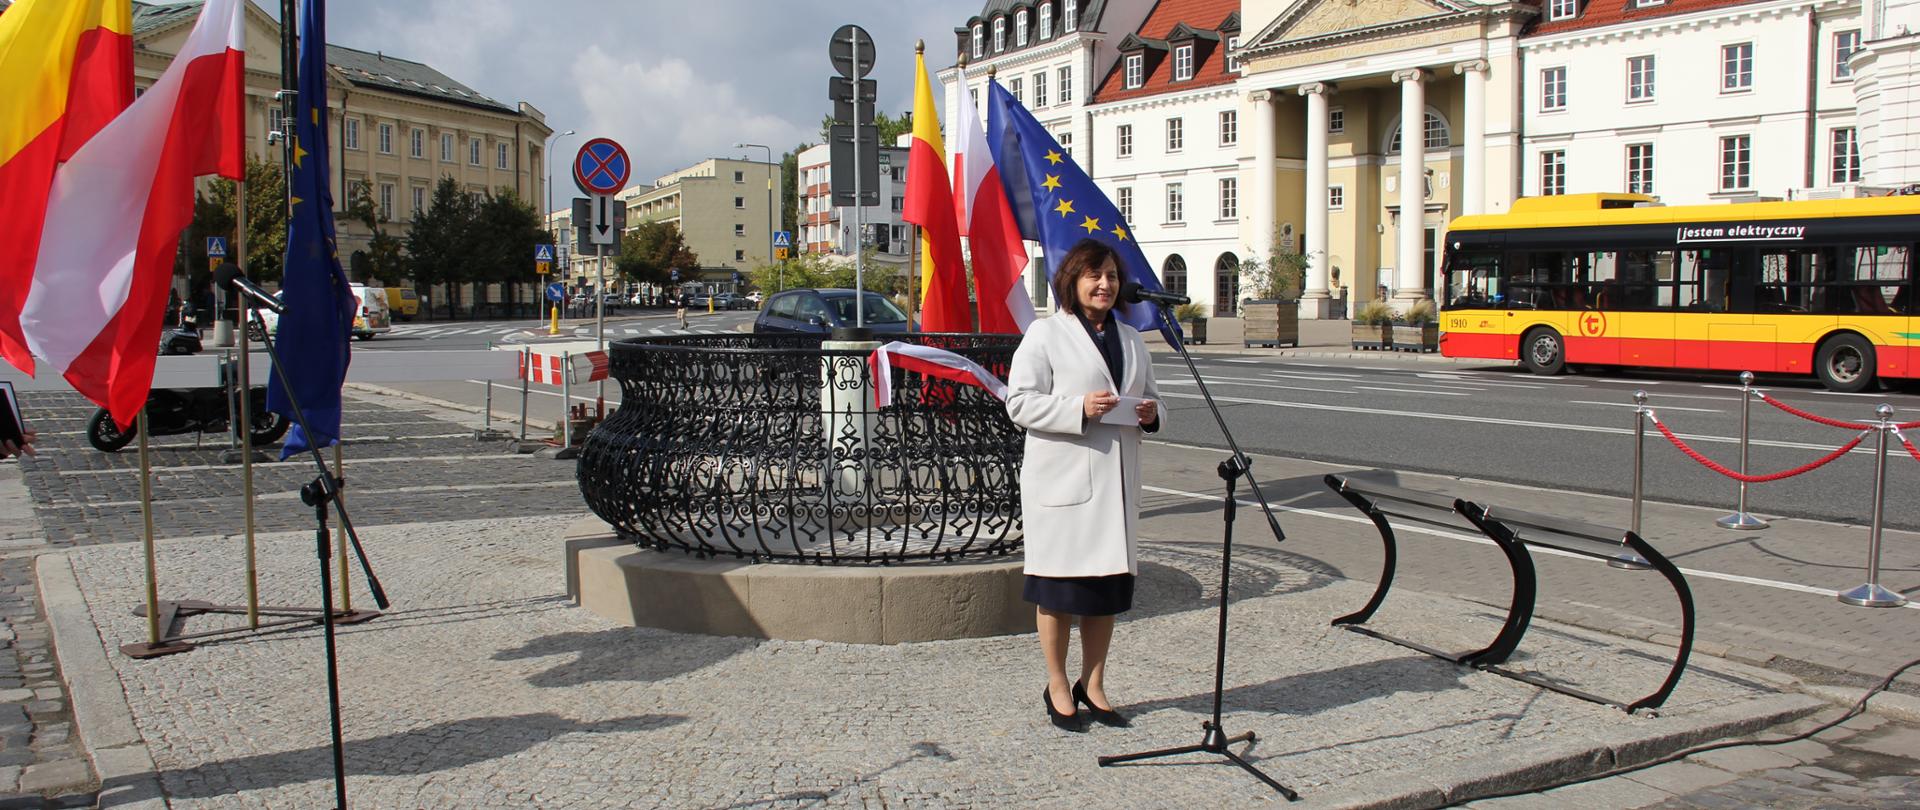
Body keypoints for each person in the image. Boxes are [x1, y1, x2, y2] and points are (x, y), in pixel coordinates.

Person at [1005, 238, 1161, 733]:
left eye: (1111, 276)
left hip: (1116, 486)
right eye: (1094, 275)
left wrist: (1152, 413)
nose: (1105, 284)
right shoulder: (1046, 335)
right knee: (1059, 591)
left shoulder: (1132, 339)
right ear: (1072, 281)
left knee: (1105, 593)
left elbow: (1152, 397)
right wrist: (1078, 408)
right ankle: (1056, 683)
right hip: (1065, 483)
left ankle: (1093, 684)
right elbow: (1019, 403)